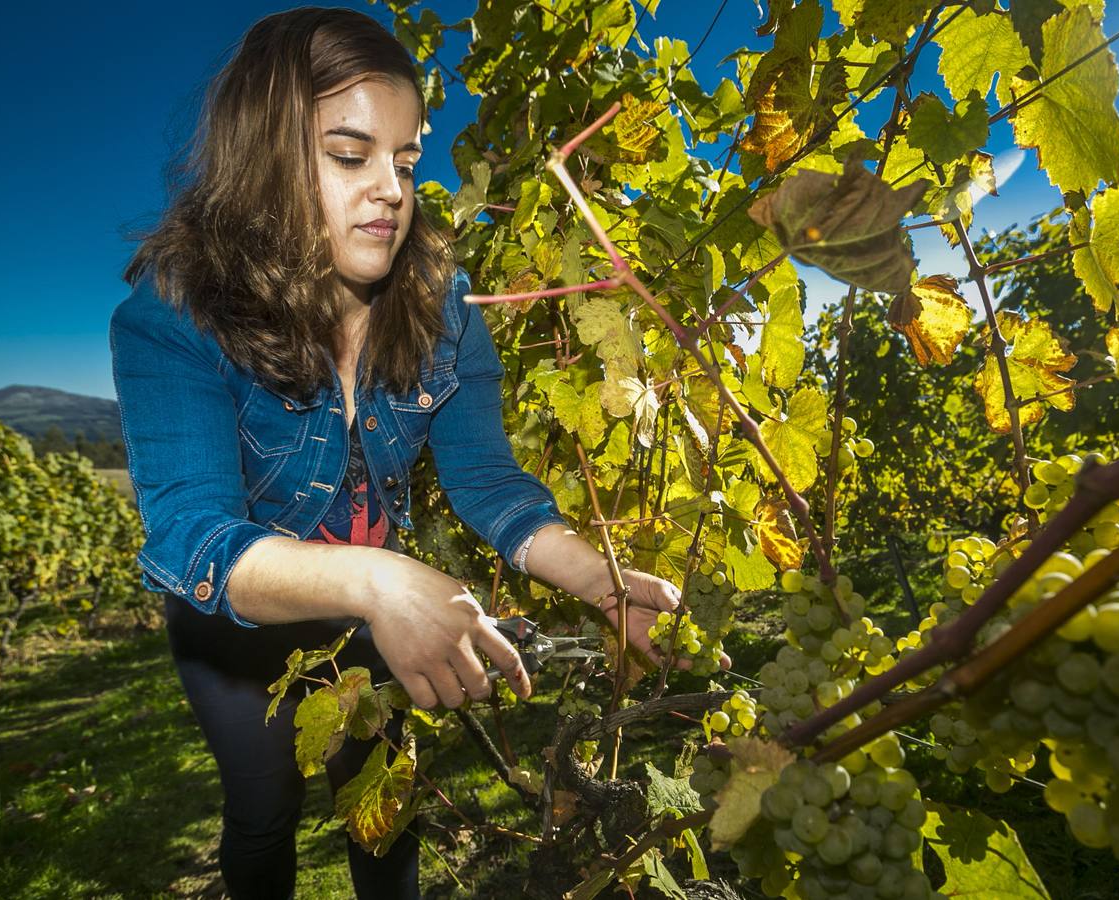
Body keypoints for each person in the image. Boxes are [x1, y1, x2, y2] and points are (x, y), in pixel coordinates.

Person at [108, 8, 692, 899]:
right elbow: (191, 538)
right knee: (263, 808)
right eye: (350, 156)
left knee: (386, 805)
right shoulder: (170, 317)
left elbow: (486, 480)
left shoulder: (439, 305)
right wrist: (378, 578)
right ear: (262, 160)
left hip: (374, 610)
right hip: (236, 629)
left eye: (407, 161)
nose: (391, 188)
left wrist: (596, 581)